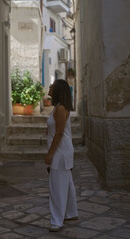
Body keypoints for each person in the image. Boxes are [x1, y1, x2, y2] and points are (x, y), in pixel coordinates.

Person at [45, 79, 78, 232]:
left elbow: (59, 133)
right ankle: (71, 212)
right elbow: (57, 129)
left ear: (57, 89)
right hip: (64, 150)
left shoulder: (60, 108)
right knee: (67, 183)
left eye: (52, 86)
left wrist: (50, 153)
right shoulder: (58, 107)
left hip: (60, 151)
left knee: (56, 186)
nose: (50, 87)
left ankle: (57, 221)